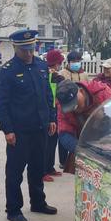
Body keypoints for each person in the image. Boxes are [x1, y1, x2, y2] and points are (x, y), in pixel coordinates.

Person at [0, 29, 58, 221]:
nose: (29, 53)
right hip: (19, 132)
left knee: (37, 168)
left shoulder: (41, 66)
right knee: (15, 172)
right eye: (24, 50)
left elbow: (48, 94)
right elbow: (1, 104)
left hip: (40, 128)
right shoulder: (8, 71)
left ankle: (38, 202)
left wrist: (52, 118)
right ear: (15, 48)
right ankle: (13, 209)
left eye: (31, 49)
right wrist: (7, 130)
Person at [44, 49, 66, 182]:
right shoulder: (44, 75)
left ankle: (50, 167)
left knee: (52, 142)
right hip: (46, 112)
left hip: (55, 111)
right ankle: (42, 170)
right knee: (45, 143)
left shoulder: (57, 76)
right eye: (59, 63)